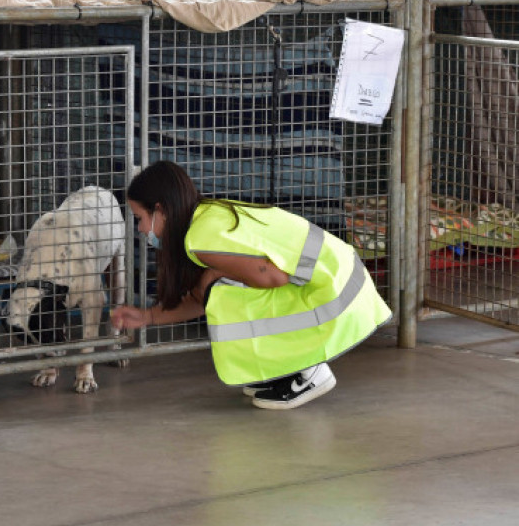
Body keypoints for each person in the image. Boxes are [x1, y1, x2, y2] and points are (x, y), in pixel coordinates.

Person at [111, 161, 392, 410]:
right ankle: (287, 371)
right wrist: (148, 316)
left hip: (336, 297)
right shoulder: (207, 216)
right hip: (344, 285)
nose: (140, 230)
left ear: (161, 211)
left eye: (140, 219)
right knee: (213, 285)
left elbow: (273, 277)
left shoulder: (199, 238)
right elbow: (200, 298)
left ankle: (309, 371)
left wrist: (211, 275)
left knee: (218, 289)